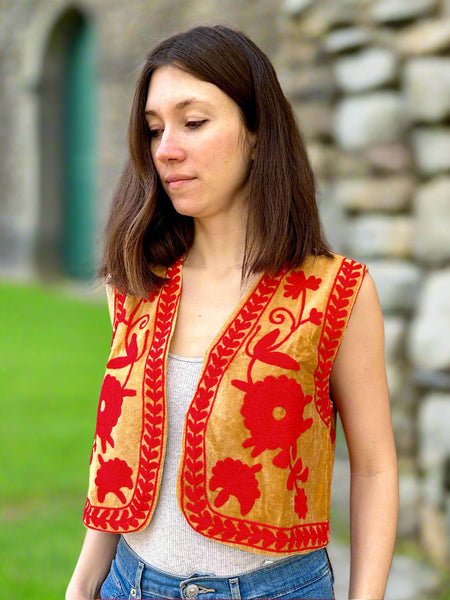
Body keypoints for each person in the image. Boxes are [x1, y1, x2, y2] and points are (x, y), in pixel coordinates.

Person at [66, 25, 398, 600]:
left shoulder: (334, 293)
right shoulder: (135, 285)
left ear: (256, 132)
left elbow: (373, 469)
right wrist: (82, 584)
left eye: (193, 122)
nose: (167, 148)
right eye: (154, 129)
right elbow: (121, 458)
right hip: (131, 584)